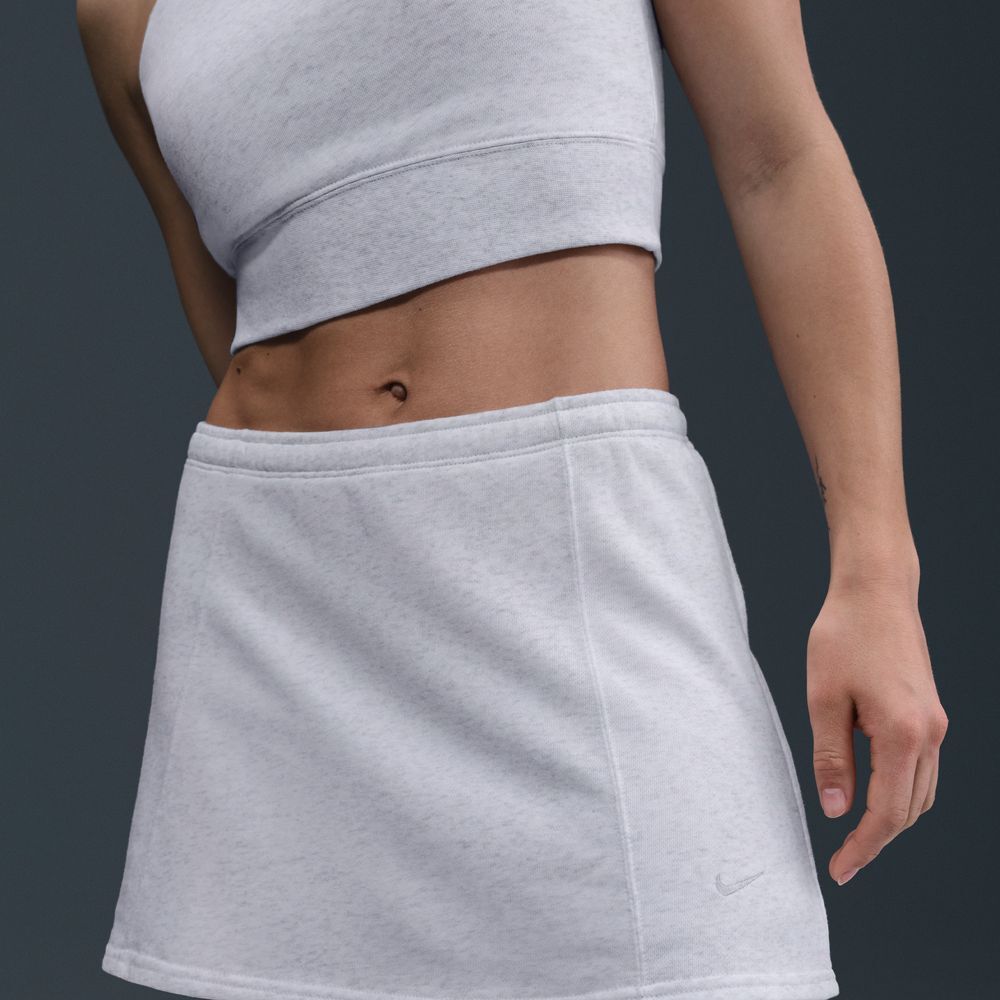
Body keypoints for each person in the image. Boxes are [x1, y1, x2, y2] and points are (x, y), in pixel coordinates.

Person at [78, 2, 947, 1000]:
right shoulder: (116, 12)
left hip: (570, 559)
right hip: (275, 631)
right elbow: (242, 311)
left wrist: (877, 572)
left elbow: (778, 157)